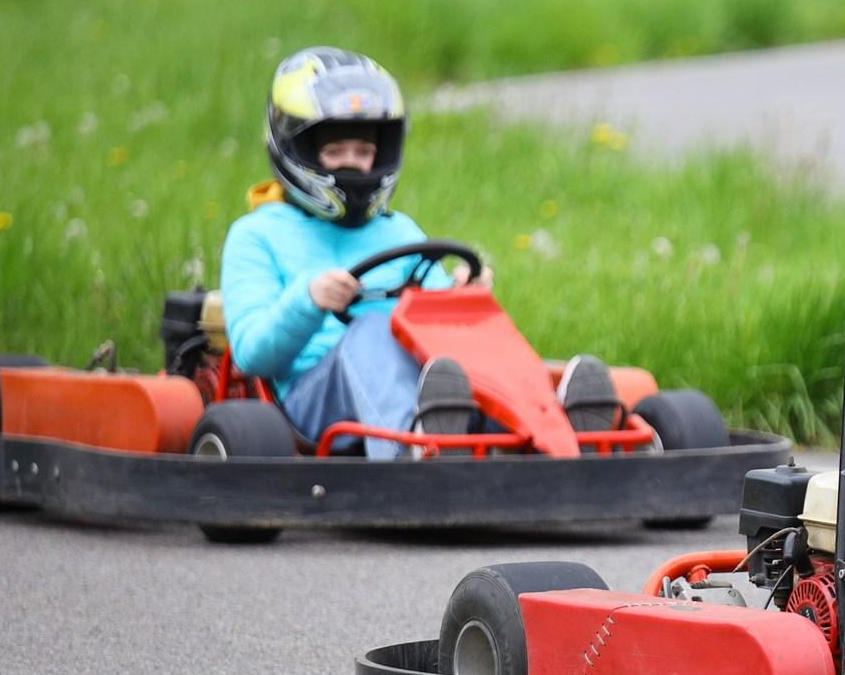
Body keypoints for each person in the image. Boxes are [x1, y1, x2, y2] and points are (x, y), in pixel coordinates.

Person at [219, 47, 621, 457]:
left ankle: (552, 433)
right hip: (311, 401)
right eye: (335, 151)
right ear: (298, 150)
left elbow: (437, 328)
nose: (353, 165)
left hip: (420, 386)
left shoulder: (398, 229)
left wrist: (462, 297)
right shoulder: (256, 235)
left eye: (363, 152)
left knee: (473, 337)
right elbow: (252, 354)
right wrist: (309, 300)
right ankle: (410, 448)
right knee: (373, 328)